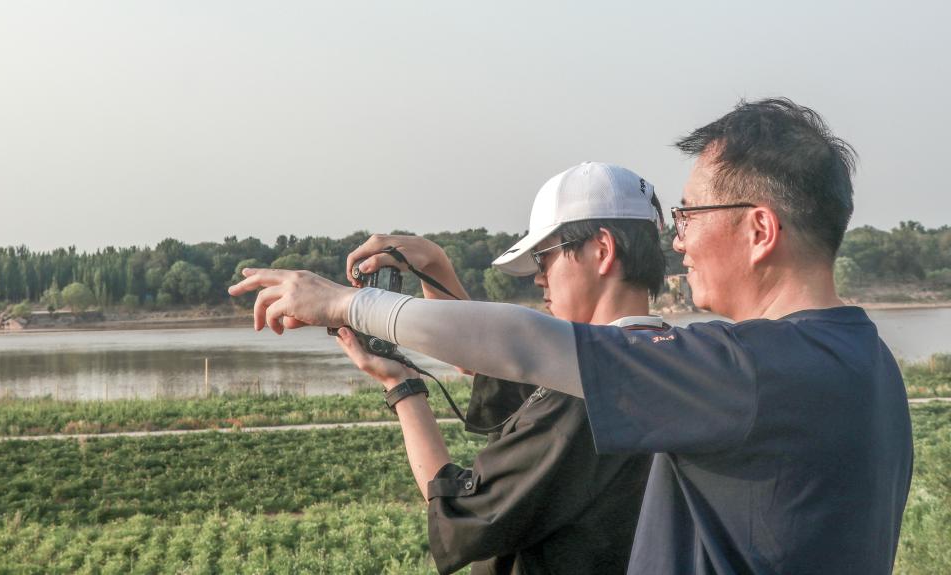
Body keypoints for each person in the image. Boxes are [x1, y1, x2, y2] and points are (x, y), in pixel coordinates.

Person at [229, 98, 913, 574]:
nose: (680, 238)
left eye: (692, 214)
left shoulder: (748, 370)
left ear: (759, 229)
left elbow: (531, 347)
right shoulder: (866, 361)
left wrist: (346, 301)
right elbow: (517, 373)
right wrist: (437, 273)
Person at [335, 162, 665, 574]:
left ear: (602, 250)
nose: (539, 279)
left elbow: (460, 514)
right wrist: (434, 264)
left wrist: (401, 386)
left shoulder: (582, 398)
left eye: (543, 258)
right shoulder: (666, 359)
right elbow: (482, 357)